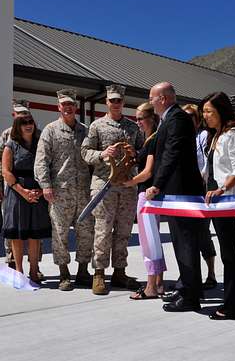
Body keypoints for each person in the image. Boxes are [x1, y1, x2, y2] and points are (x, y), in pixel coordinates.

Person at [146, 82, 204, 312]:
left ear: (163, 98)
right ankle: (186, 287)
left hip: (182, 191)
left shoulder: (177, 118)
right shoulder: (168, 120)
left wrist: (157, 185)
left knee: (186, 243)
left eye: (152, 98)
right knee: (181, 242)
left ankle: (191, 297)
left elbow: (172, 153)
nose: (150, 102)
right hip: (176, 191)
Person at [81, 84, 144, 295]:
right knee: (103, 230)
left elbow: (143, 154)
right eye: (112, 100)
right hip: (103, 184)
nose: (116, 104)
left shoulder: (133, 127)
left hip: (126, 185)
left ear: (123, 102)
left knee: (124, 230)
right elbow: (85, 152)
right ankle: (99, 273)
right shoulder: (97, 126)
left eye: (119, 100)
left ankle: (119, 272)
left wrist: (135, 152)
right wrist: (102, 153)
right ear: (106, 102)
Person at [34, 89, 94, 291]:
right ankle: (64, 274)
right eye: (64, 104)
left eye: (71, 104)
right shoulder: (50, 130)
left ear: (75, 107)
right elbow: (41, 161)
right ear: (59, 107)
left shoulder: (85, 130)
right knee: (59, 234)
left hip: (84, 192)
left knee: (86, 232)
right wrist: (45, 186)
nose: (68, 108)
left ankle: (83, 271)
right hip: (60, 193)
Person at [200, 92, 235, 320]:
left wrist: (221, 189)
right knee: (227, 252)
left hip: (227, 202)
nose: (205, 116)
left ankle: (233, 305)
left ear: (221, 110)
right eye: (204, 112)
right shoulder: (215, 136)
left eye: (209, 111)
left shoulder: (233, 134)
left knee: (230, 253)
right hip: (214, 203)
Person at [0, 100, 43, 275]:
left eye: (28, 117)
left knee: (35, 231)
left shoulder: (40, 136)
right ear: (14, 115)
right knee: (15, 231)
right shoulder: (7, 136)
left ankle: (35, 268)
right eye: (20, 116)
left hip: (35, 187)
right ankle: (14, 266)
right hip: (14, 187)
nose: (25, 121)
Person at [123, 102, 166, 299]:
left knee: (148, 242)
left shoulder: (153, 139)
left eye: (141, 118)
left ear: (152, 118)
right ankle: (158, 283)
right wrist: (135, 155)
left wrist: (127, 182)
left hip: (146, 196)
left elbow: (148, 172)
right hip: (152, 196)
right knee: (154, 240)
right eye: (136, 118)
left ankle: (150, 287)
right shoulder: (151, 139)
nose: (138, 122)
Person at [1, 113, 51, 283]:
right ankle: (19, 271)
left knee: (34, 234)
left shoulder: (40, 144)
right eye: (24, 123)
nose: (28, 125)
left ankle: (34, 270)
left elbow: (47, 166)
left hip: (37, 191)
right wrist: (21, 190)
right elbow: (6, 172)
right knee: (18, 234)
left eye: (30, 122)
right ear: (17, 126)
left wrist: (39, 189)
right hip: (17, 192)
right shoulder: (11, 145)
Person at [182, 104, 218, 289]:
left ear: (197, 120)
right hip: (184, 193)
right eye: (184, 116)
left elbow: (207, 165)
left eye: (191, 117)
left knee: (203, 233)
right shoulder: (180, 138)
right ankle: (189, 276)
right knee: (187, 236)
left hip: (202, 192)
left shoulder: (203, 136)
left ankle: (211, 274)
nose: (188, 120)